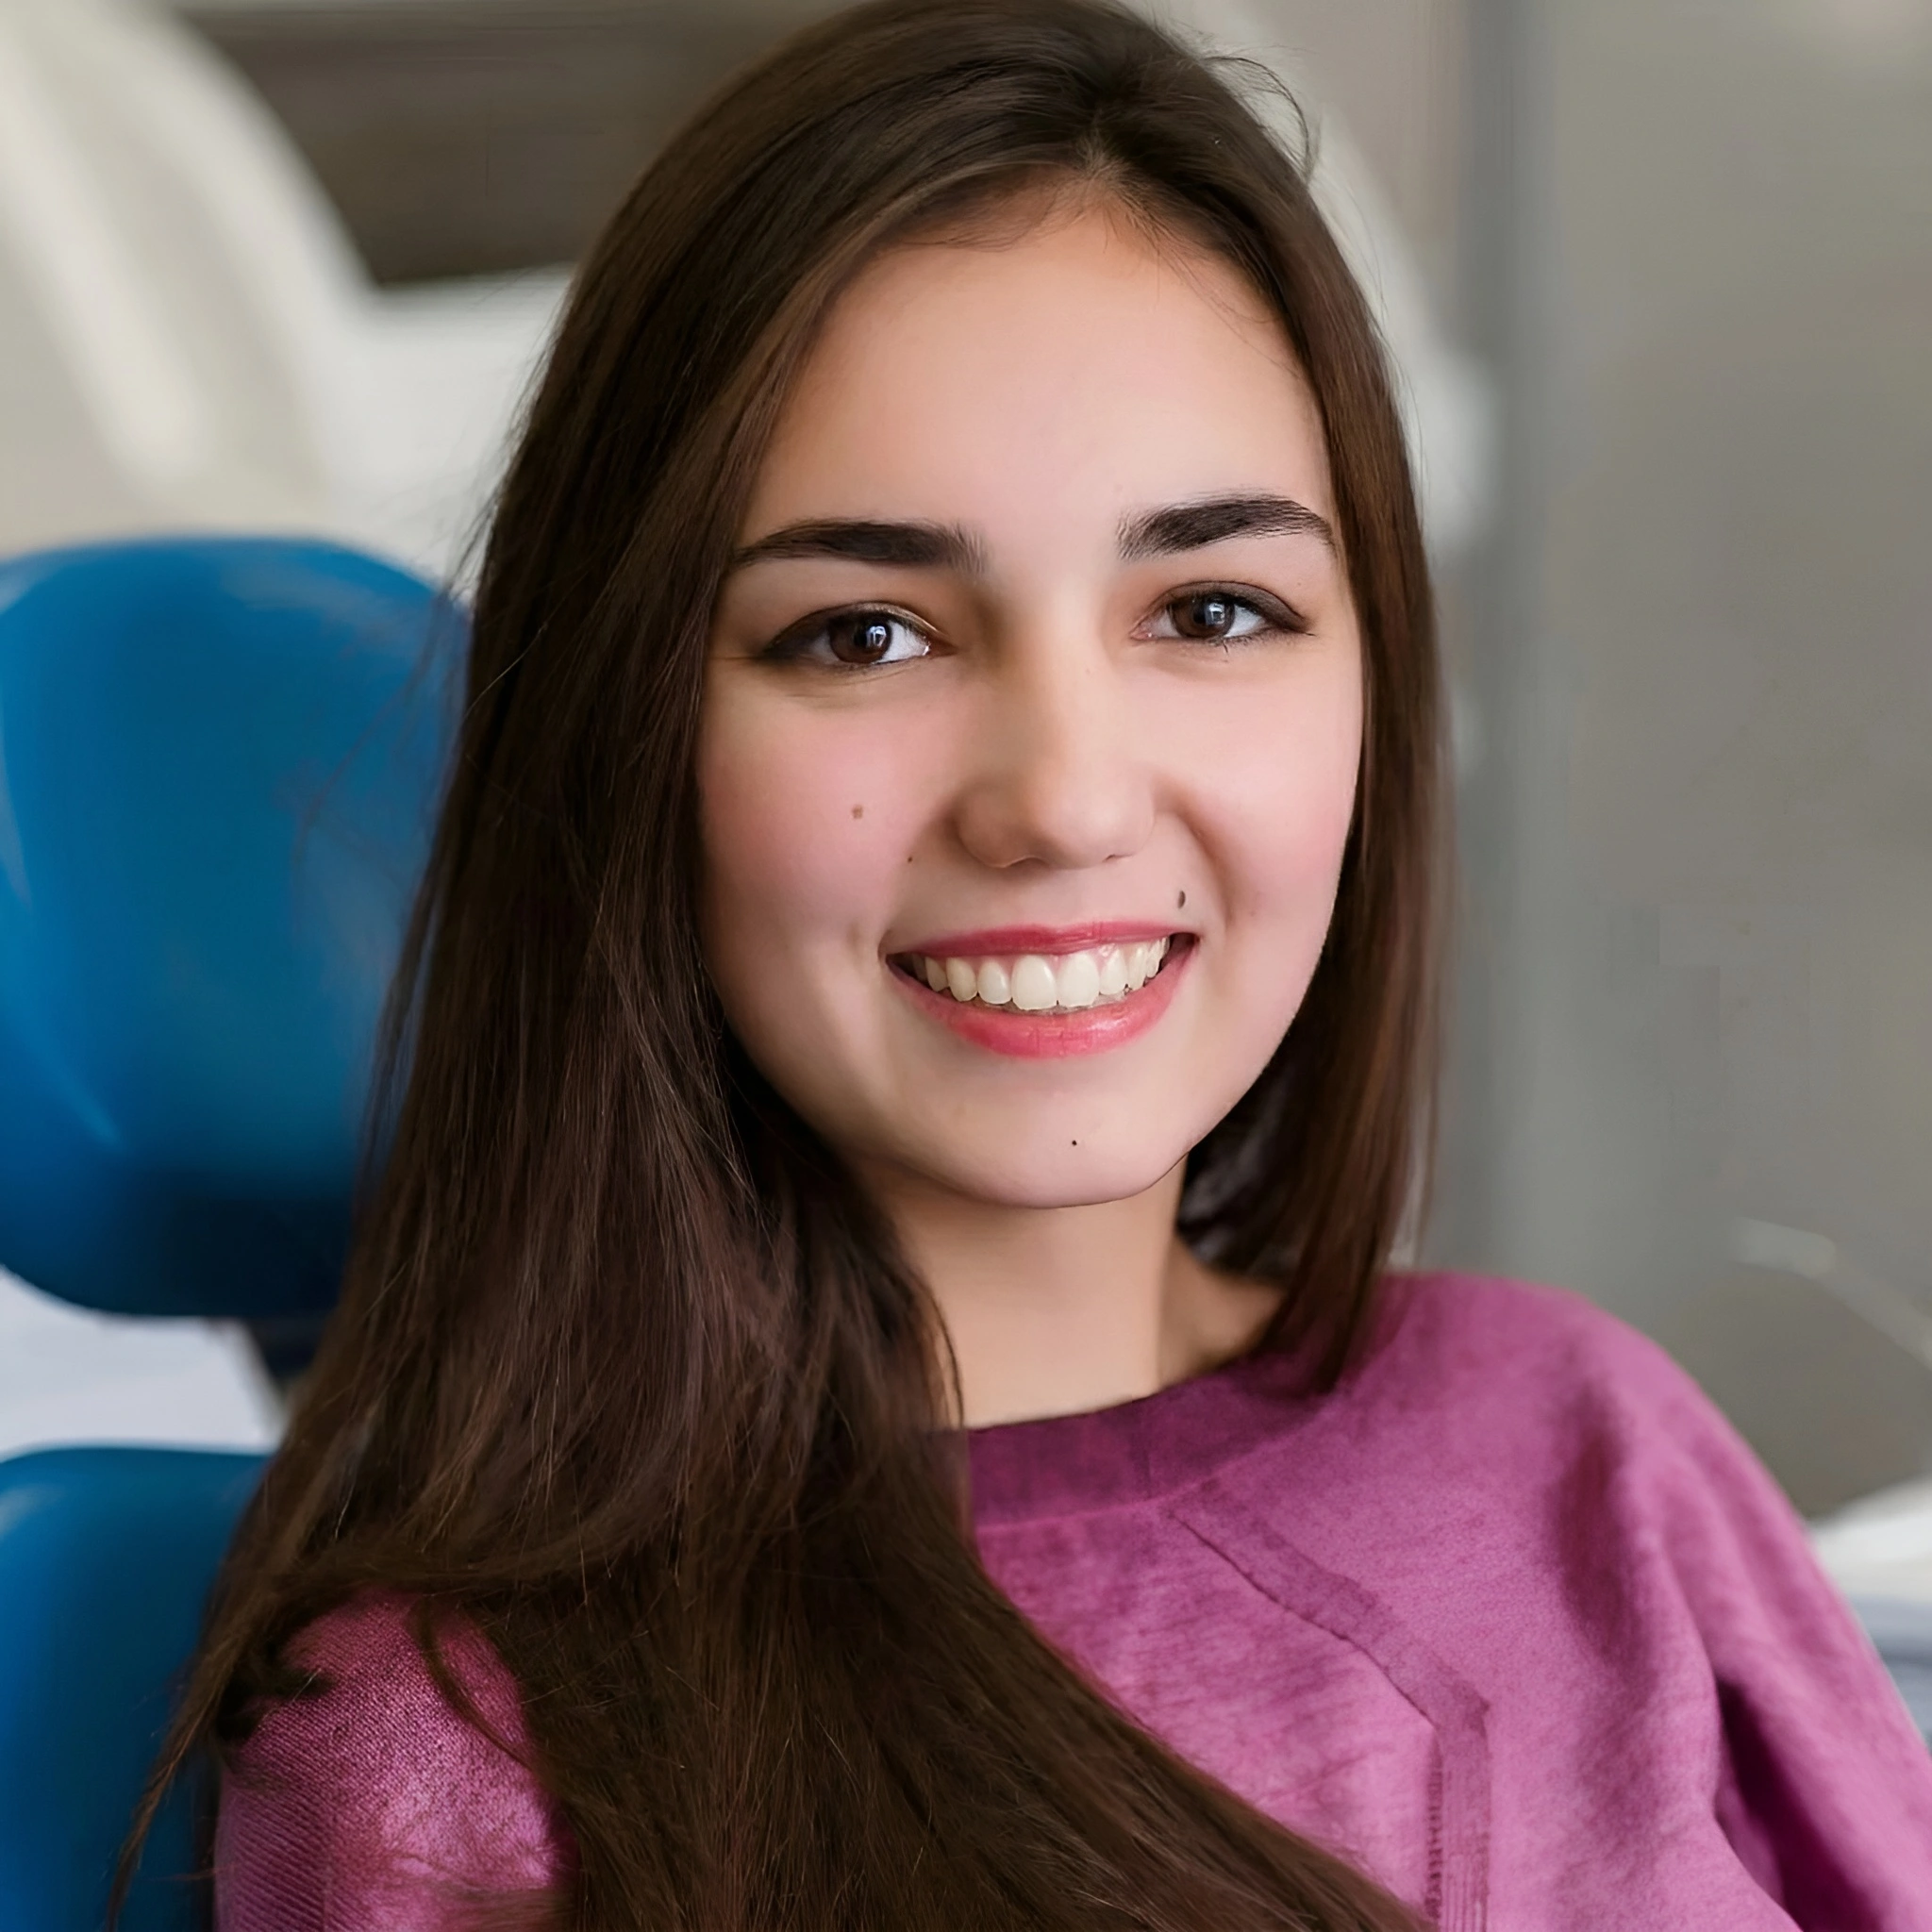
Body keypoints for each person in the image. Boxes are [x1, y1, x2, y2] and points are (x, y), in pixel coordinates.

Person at [126, 1, 1932, 1926]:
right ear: (625, 737)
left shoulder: (1584, 1441)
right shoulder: (459, 1756)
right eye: (864, 635)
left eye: (1214, 607)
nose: (1063, 800)